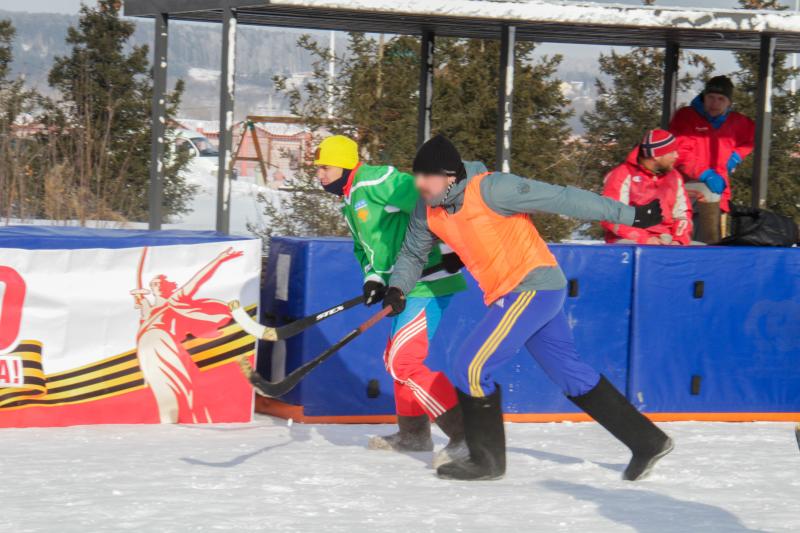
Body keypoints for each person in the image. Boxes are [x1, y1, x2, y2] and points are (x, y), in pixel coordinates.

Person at [385, 134, 674, 481]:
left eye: (426, 176)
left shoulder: (492, 189)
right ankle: (648, 441)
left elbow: (562, 198)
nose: (419, 183)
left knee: (471, 366)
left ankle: (486, 461)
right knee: (570, 373)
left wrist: (631, 215)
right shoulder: (427, 207)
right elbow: (413, 253)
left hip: (531, 287)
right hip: (521, 293)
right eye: (417, 175)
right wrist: (397, 287)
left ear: (450, 176)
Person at [314, 135, 468, 466]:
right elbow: (366, 250)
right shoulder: (350, 199)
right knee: (394, 358)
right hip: (403, 286)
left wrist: (449, 249)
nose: (320, 174)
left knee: (403, 361)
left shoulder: (375, 180)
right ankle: (413, 434)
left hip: (429, 280)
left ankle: (467, 434)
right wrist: (373, 279)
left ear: (343, 164)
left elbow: (429, 195)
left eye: (325, 167)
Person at [132, 247, 242, 423]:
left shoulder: (176, 300)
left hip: (163, 343)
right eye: (153, 283)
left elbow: (197, 279)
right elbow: (144, 318)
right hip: (146, 349)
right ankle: (166, 420)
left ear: (169, 286)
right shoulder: (149, 309)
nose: (157, 286)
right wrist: (141, 302)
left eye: (160, 282)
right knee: (160, 388)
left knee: (179, 387)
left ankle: (177, 419)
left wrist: (219, 259)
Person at [669, 75, 755, 243]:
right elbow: (680, 152)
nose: (714, 103)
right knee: (684, 239)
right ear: (704, 96)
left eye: (721, 99)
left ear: (729, 102)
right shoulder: (686, 116)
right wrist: (704, 174)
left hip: (717, 191)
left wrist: (736, 156)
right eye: (711, 97)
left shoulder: (737, 121)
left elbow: (751, 139)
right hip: (687, 189)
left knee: (710, 242)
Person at [602, 129, 692, 245]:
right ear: (656, 156)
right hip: (631, 241)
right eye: (672, 152)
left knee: (705, 254)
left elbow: (683, 215)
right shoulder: (623, 174)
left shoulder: (675, 177)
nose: (677, 156)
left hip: (666, 239)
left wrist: (678, 240)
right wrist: (644, 239)